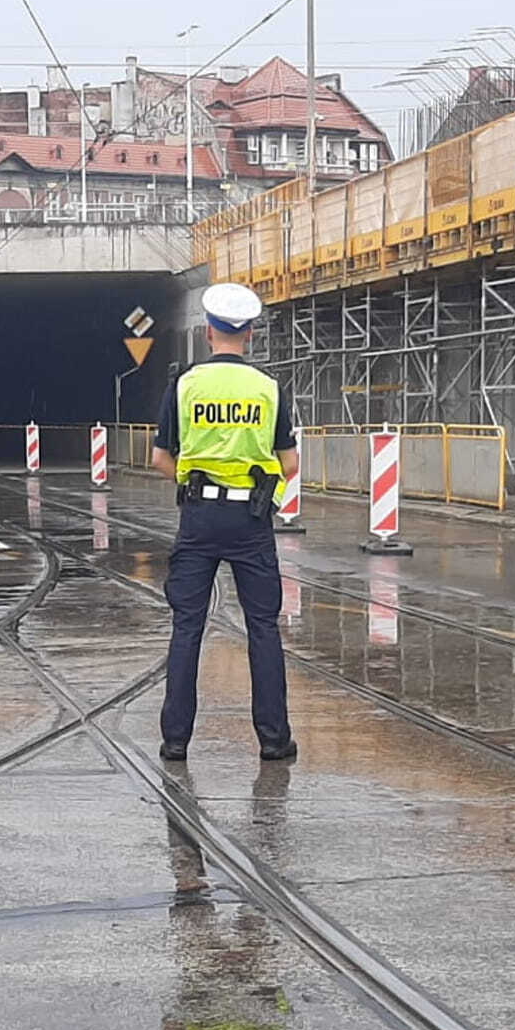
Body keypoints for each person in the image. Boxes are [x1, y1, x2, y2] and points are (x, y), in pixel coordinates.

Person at [151, 282, 299, 763]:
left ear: (209, 332)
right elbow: (290, 462)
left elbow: (160, 458)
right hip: (251, 520)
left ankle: (176, 740)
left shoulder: (184, 385)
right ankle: (274, 740)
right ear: (250, 333)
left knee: (187, 626)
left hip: (199, 518)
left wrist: (193, 484)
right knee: (263, 628)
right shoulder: (269, 389)